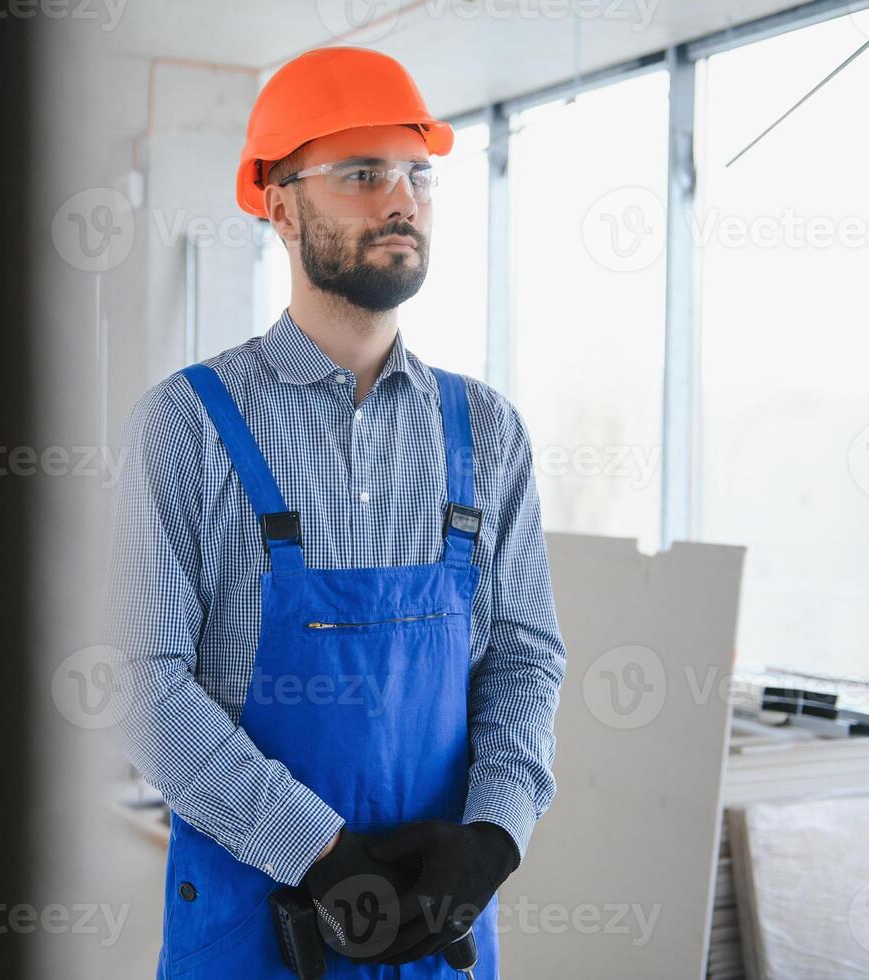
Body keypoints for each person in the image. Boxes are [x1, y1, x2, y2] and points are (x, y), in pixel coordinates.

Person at [107, 45, 567, 978]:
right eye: (361, 174)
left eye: (418, 175)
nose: (401, 201)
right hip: (255, 924)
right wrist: (316, 850)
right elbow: (143, 686)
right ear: (279, 206)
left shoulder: (485, 430)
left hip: (437, 928)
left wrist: (491, 840)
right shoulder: (187, 423)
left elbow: (525, 658)